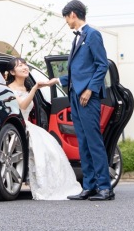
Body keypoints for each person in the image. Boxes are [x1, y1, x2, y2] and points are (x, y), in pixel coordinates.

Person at [47, 0, 114, 201]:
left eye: (66, 18)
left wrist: (90, 90)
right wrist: (58, 80)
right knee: (83, 142)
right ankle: (89, 186)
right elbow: (80, 71)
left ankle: (105, 188)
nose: (66, 22)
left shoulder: (93, 35)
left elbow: (102, 65)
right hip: (75, 96)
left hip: (88, 98)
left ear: (73, 15)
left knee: (93, 141)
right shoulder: (77, 38)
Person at [6, 57, 83, 200]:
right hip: (19, 125)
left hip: (29, 125)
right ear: (12, 72)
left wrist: (33, 88)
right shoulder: (9, 88)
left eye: (25, 64)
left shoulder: (26, 87)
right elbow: (22, 106)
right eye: (20, 66)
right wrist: (35, 88)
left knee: (52, 150)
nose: (25, 67)